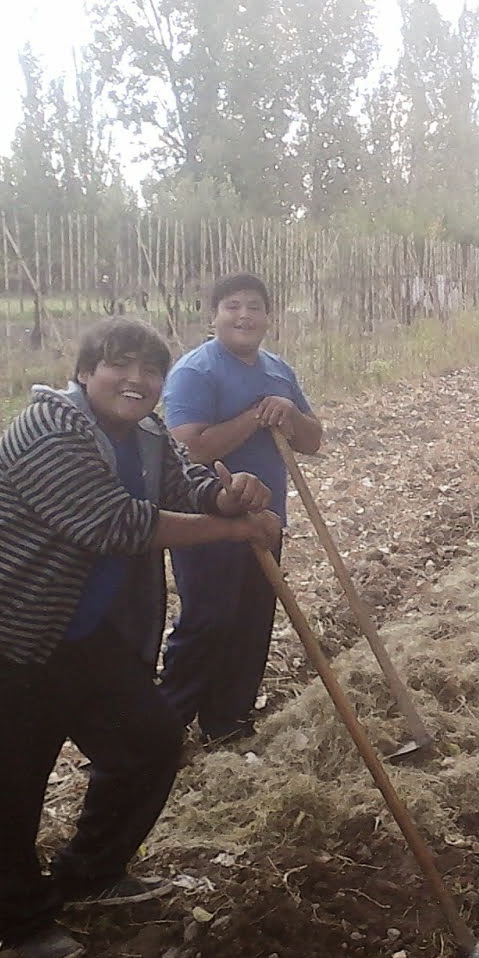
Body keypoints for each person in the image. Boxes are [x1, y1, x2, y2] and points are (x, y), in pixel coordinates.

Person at [0, 318, 279, 958]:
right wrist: (232, 533)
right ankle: (14, 922)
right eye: (118, 365)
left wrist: (229, 494)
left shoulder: (148, 434)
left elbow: (187, 486)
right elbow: (116, 524)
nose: (137, 381)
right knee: (8, 783)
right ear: (85, 373)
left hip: (79, 634)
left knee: (149, 742)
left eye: (150, 371)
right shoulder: (49, 429)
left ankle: (89, 873)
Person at [160, 274, 324, 744]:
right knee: (207, 622)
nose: (244, 316)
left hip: (267, 521)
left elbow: (311, 441)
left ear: (268, 318)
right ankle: (166, 730)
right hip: (208, 521)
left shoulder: (278, 372)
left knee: (253, 623)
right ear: (213, 316)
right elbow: (187, 451)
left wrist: (287, 412)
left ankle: (228, 724)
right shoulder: (196, 372)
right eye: (232, 306)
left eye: (254, 307)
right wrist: (254, 416)